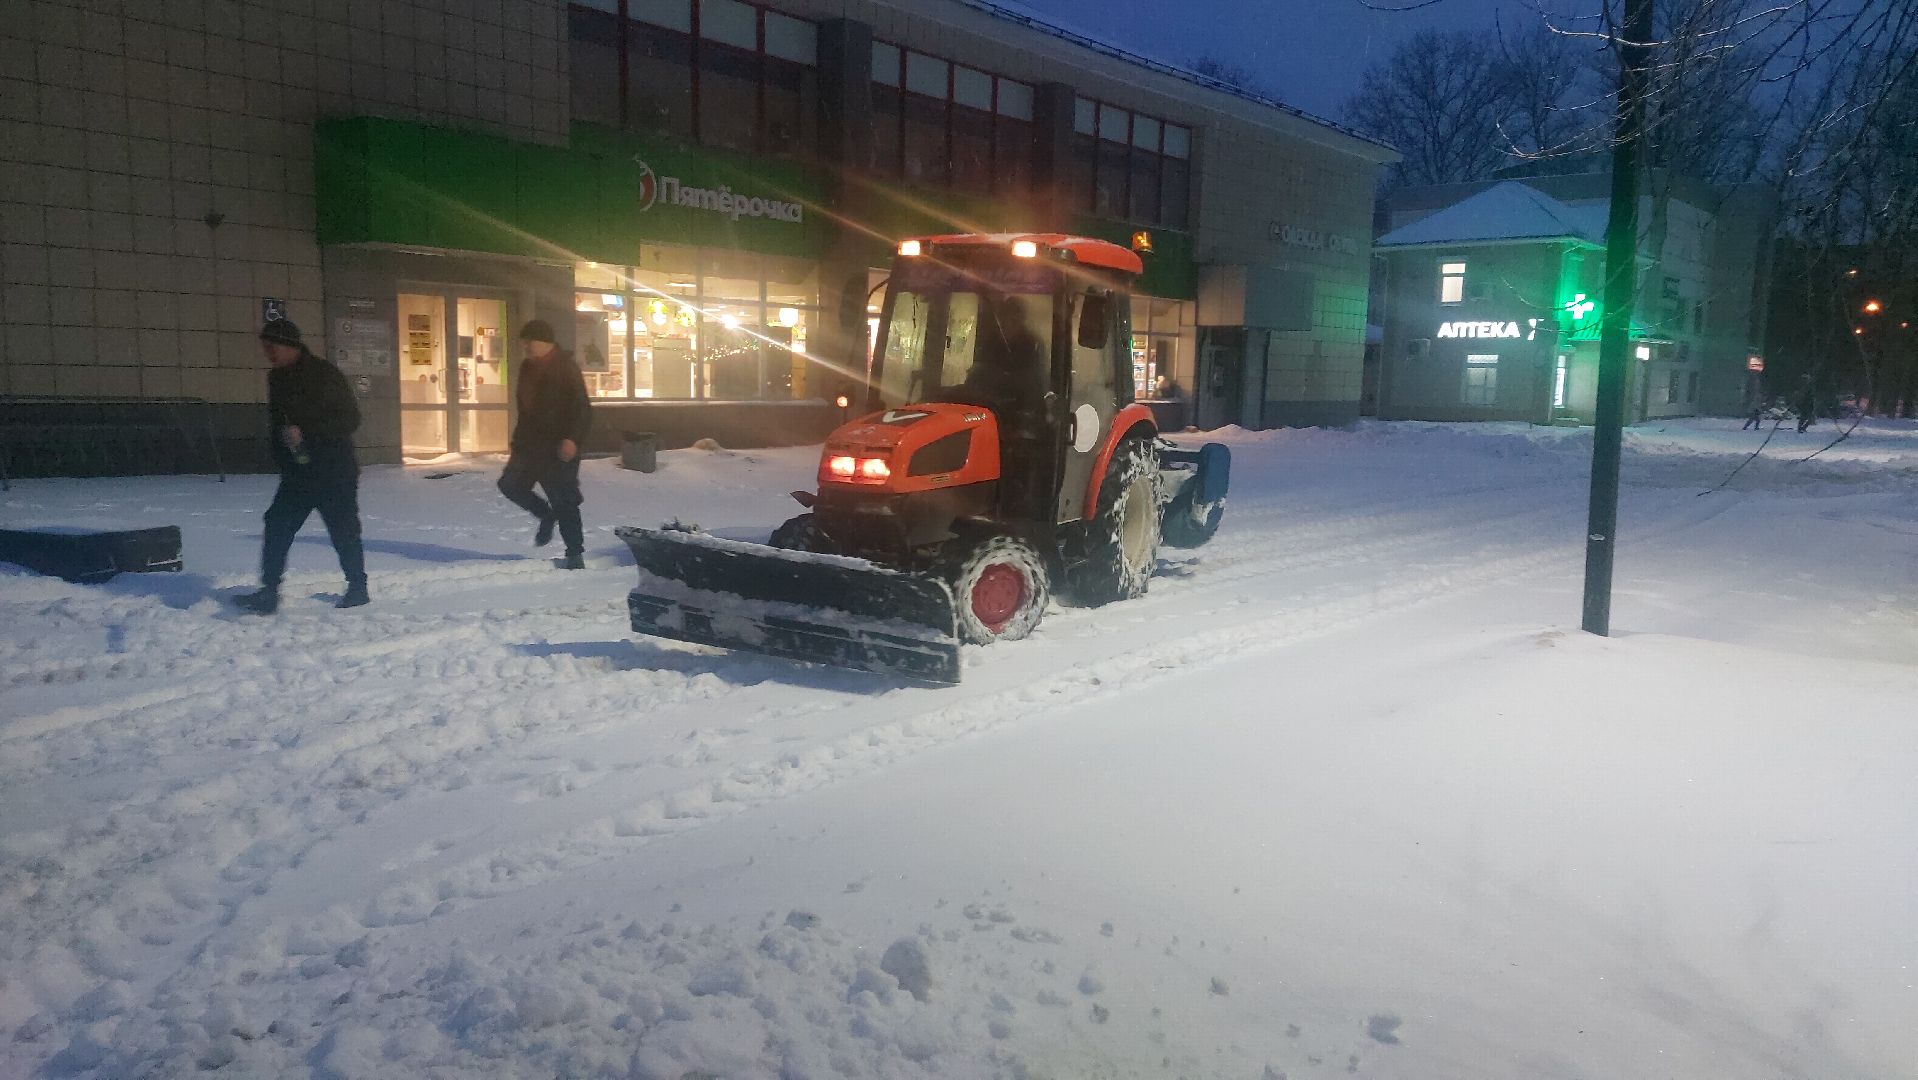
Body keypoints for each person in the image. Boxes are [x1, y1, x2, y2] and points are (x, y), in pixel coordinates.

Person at [234, 319, 367, 613]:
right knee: (277, 524)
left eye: (273, 346)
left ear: (290, 345)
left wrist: (306, 431)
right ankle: (269, 591)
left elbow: (350, 419)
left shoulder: (323, 374)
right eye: (264, 347)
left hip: (333, 470)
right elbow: (278, 424)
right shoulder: (277, 378)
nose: (268, 352)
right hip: (298, 473)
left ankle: (358, 587)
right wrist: (283, 457)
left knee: (343, 530)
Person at [498, 319, 592, 569]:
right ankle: (545, 514)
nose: (526, 346)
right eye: (523, 342)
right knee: (510, 485)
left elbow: (582, 408)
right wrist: (519, 440)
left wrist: (572, 439)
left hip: (558, 447)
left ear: (545, 341)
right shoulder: (527, 367)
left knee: (564, 499)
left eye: (529, 341)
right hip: (529, 445)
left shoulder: (565, 367)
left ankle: (575, 554)